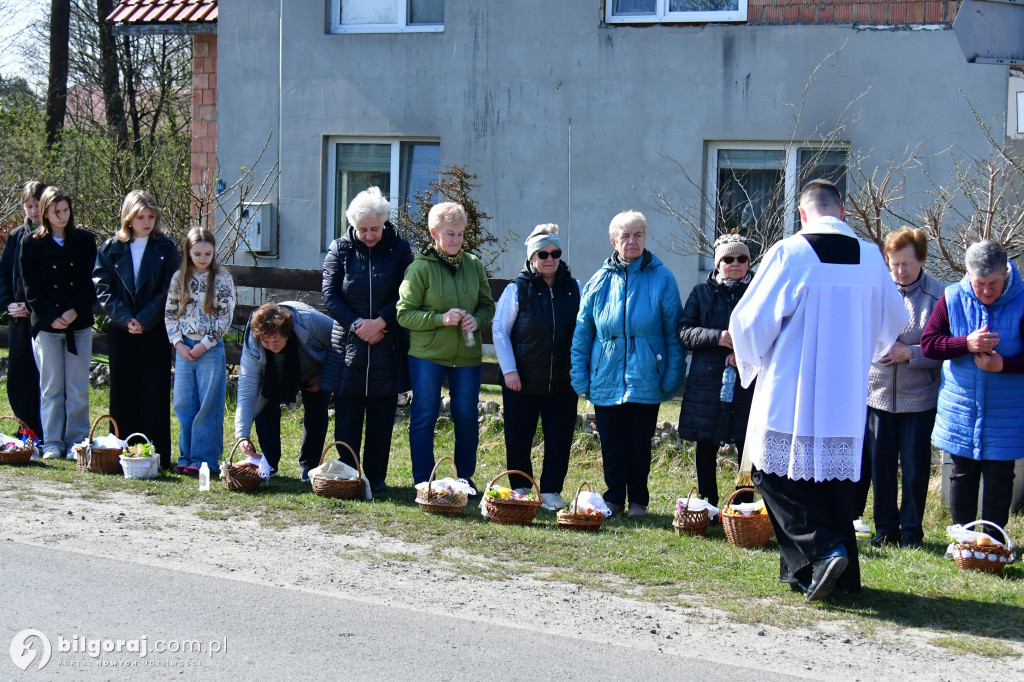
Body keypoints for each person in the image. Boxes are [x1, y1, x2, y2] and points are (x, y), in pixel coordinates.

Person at [729, 180, 907, 601]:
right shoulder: (868, 256)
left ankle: (825, 551)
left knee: (770, 473)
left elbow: (750, 323)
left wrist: (750, 357)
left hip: (793, 387)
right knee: (833, 484)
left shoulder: (790, 253)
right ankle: (829, 578)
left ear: (803, 215)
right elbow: (891, 322)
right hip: (845, 394)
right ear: (842, 212)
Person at [570, 210, 686, 518]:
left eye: (638, 235)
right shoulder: (598, 281)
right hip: (605, 375)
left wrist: (673, 374)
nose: (632, 241)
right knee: (611, 443)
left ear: (645, 238)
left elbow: (674, 331)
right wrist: (580, 377)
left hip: (646, 374)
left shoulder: (662, 277)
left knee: (639, 443)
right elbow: (583, 333)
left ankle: (638, 501)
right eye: (625, 236)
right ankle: (613, 498)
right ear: (613, 241)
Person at [921, 239, 1024, 535]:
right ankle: (963, 539)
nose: (987, 291)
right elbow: (929, 345)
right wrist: (965, 343)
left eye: (993, 283)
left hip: (1007, 410)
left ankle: (993, 541)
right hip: (962, 408)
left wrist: (1003, 365)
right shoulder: (952, 297)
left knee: (999, 475)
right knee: (962, 473)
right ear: (967, 273)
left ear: (1006, 273)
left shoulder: (1022, 299)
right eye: (980, 284)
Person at [321, 187, 413, 495]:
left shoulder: (400, 249)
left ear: (384, 223)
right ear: (353, 225)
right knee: (347, 417)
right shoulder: (339, 248)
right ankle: (348, 475)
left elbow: (407, 292)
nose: (369, 235)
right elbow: (330, 296)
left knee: (382, 418)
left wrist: (382, 322)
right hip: (348, 345)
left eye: (375, 229)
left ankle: (376, 477)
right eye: (363, 230)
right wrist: (359, 325)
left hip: (387, 344)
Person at [396, 202, 495, 489]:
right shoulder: (419, 268)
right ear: (433, 232)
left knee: (465, 416)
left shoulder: (474, 265)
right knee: (425, 413)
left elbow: (487, 306)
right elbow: (404, 313)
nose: (456, 240)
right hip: (427, 356)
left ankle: (464, 478)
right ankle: (424, 480)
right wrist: (441, 318)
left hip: (467, 357)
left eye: (461, 234)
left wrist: (477, 320)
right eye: (450, 233)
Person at [857, 227, 943, 548]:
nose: (900, 271)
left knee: (915, 467)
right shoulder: (875, 292)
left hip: (919, 397)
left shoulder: (938, 297)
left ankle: (911, 532)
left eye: (906, 263)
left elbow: (944, 347)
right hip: (877, 394)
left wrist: (911, 353)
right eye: (893, 264)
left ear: (921, 260)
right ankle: (885, 530)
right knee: (880, 465)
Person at [493, 224, 581, 510]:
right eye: (542, 254)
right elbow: (500, 330)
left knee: (560, 436)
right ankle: (520, 486)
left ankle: (552, 490)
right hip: (524, 378)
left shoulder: (574, 288)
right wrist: (509, 371)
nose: (549, 259)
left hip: (563, 381)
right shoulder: (517, 289)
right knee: (519, 435)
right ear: (532, 257)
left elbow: (583, 330)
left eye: (555, 253)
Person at [93, 190, 181, 467]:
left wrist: (144, 318)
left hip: (154, 329)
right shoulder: (111, 248)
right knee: (123, 390)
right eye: (140, 217)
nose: (146, 222)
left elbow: (170, 287)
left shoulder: (166, 248)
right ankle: (121, 453)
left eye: (151, 216)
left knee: (154, 389)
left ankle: (156, 456)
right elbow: (102, 287)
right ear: (128, 219)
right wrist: (125, 318)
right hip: (121, 330)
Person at [20, 187, 98, 460]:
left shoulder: (85, 241)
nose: (62, 216)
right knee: (51, 386)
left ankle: (76, 440)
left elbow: (92, 282)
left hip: (78, 324)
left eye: (66, 210)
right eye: (56, 211)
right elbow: (31, 288)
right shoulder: (31, 244)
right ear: (45, 213)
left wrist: (74, 311)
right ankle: (52, 441)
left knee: (77, 386)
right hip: (47, 325)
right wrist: (50, 315)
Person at [677, 233, 754, 508]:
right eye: (728, 259)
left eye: (742, 258)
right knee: (706, 442)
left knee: (748, 444)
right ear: (718, 263)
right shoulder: (701, 292)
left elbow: (772, 332)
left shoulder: (759, 291)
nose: (736, 263)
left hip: (748, 380)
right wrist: (717, 336)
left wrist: (744, 353)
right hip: (708, 380)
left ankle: (744, 502)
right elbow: (685, 331)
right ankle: (707, 503)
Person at [235, 302, 337, 481]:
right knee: (264, 406)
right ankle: (269, 463)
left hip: (313, 369)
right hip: (272, 376)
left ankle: (310, 466)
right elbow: (247, 389)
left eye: (276, 340)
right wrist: (242, 435)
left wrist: (325, 375)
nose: (272, 346)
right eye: (266, 342)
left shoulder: (310, 321)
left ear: (287, 333)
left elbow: (339, 340)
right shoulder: (253, 342)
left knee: (316, 410)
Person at [164, 227, 235, 476]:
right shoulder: (179, 278)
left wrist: (205, 344)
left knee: (208, 404)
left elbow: (225, 317)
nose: (203, 258)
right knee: (184, 403)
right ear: (189, 252)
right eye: (198, 254)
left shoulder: (222, 278)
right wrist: (179, 344)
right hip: (184, 347)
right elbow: (171, 313)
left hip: (210, 348)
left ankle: (205, 459)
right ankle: (186, 455)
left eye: (208, 253)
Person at [0, 180, 47, 442]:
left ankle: (43, 427)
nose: (33, 210)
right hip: (18, 318)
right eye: (28, 206)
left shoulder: (53, 235)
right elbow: (5, 273)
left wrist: (32, 307)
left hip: (42, 318)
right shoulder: (17, 235)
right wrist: (9, 304)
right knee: (19, 375)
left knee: (43, 375)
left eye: (37, 205)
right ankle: (25, 425)